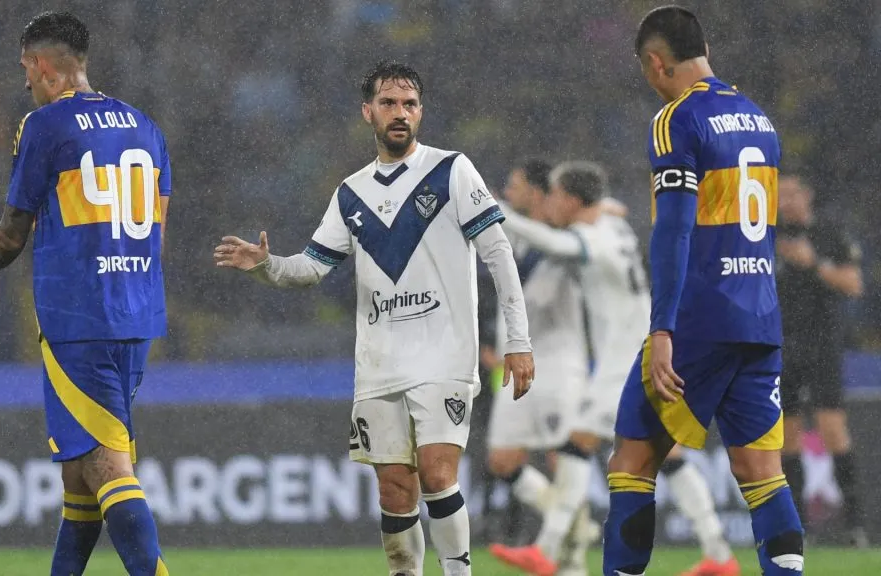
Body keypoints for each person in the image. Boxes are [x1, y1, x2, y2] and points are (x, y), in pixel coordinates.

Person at [214, 60, 535, 576]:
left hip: (444, 354)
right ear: (368, 112)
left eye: (409, 104)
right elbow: (311, 268)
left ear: (421, 112)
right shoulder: (351, 193)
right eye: (388, 103)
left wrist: (519, 340)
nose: (400, 113)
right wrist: (267, 267)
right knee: (395, 486)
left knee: (436, 473)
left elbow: (499, 255)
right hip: (381, 362)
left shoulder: (452, 170)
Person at [0, 12, 171, 576]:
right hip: (137, 310)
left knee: (107, 466)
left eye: (26, 69)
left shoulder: (45, 125)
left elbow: (13, 230)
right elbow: (159, 229)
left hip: (79, 314)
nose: (25, 82)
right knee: (79, 476)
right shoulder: (145, 126)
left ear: (42, 65)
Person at [603, 6, 803, 576]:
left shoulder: (677, 120)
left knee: (631, 463)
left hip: (699, 318)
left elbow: (674, 230)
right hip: (760, 317)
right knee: (763, 475)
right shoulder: (759, 118)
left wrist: (662, 327)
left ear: (655, 62)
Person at [488, 162, 738, 576]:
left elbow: (557, 244)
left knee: (577, 444)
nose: (549, 202)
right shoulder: (613, 226)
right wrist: (605, 204)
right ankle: (719, 554)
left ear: (570, 199)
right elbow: (601, 209)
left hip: (628, 362)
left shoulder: (594, 237)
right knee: (665, 454)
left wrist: (502, 216)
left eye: (554, 194)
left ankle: (547, 551)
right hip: (642, 352)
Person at [483, 158, 596, 576]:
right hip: (518, 364)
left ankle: (572, 564)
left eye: (513, 186)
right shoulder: (514, 236)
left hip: (558, 360)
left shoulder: (563, 234)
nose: (508, 193)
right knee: (502, 459)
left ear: (536, 191)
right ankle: (574, 525)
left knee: (561, 459)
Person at [776, 175, 865, 545]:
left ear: (807, 194)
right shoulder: (765, 237)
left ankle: (857, 526)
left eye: (794, 193)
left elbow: (853, 284)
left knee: (832, 430)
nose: (788, 202)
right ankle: (798, 529)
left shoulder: (829, 233)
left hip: (822, 344)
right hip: (781, 346)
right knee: (786, 438)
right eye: (780, 196)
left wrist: (813, 264)